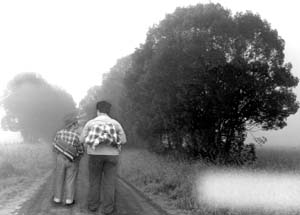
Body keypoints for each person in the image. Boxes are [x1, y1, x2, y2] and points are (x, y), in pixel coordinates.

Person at [81, 101, 126, 214]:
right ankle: (108, 209)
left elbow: (82, 140)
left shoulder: (90, 123)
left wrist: (93, 142)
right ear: (108, 111)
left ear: (98, 111)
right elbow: (124, 140)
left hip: (94, 155)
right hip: (112, 155)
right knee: (110, 183)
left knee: (94, 181)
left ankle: (93, 206)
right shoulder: (115, 123)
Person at [52, 113, 84, 206]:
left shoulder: (59, 133)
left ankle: (57, 199)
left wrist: (60, 153)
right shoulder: (76, 136)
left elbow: (54, 146)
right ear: (72, 125)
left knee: (59, 178)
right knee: (70, 180)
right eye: (76, 124)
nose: (77, 126)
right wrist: (76, 155)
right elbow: (81, 151)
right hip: (72, 160)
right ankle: (69, 200)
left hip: (60, 159)